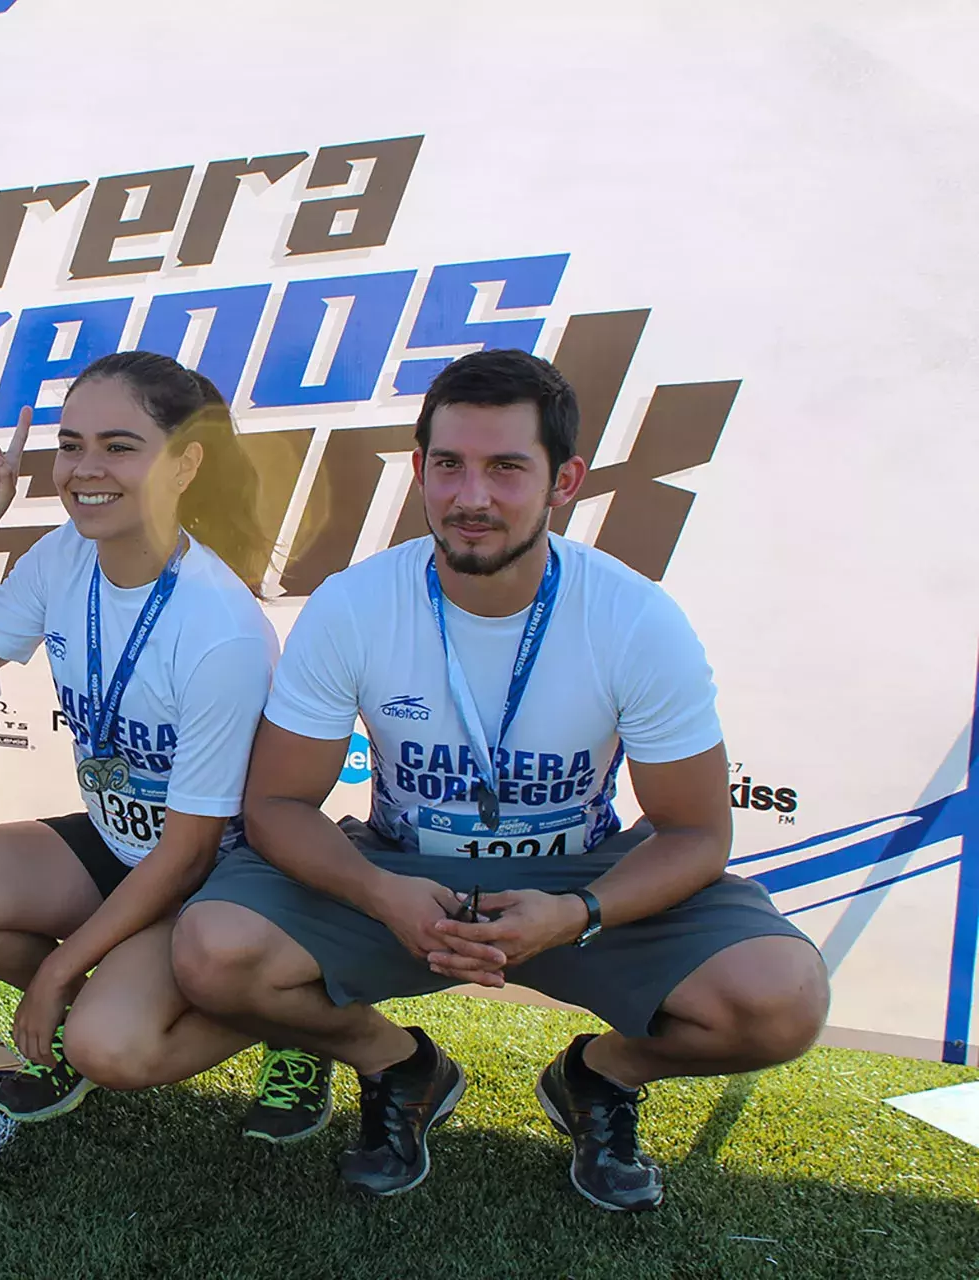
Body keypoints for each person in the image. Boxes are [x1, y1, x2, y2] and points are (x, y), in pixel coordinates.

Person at [170, 349, 828, 1210]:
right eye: (449, 465)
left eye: (507, 468)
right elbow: (278, 804)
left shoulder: (633, 618)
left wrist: (577, 912)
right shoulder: (355, 604)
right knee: (213, 951)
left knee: (781, 1000)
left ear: (566, 481)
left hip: (576, 875)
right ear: (419, 471)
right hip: (404, 868)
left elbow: (698, 831)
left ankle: (598, 1077)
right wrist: (379, 894)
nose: (471, 496)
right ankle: (400, 1067)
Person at [0, 352, 328, 1141]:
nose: (85, 470)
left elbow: (190, 854)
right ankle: (89, 1008)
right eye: (71, 445)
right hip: (124, 845)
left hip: (217, 877)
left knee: (110, 1045)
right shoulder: (64, 556)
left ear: (184, 463)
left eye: (119, 447)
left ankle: (306, 1019)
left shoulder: (219, 629)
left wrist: (61, 971)